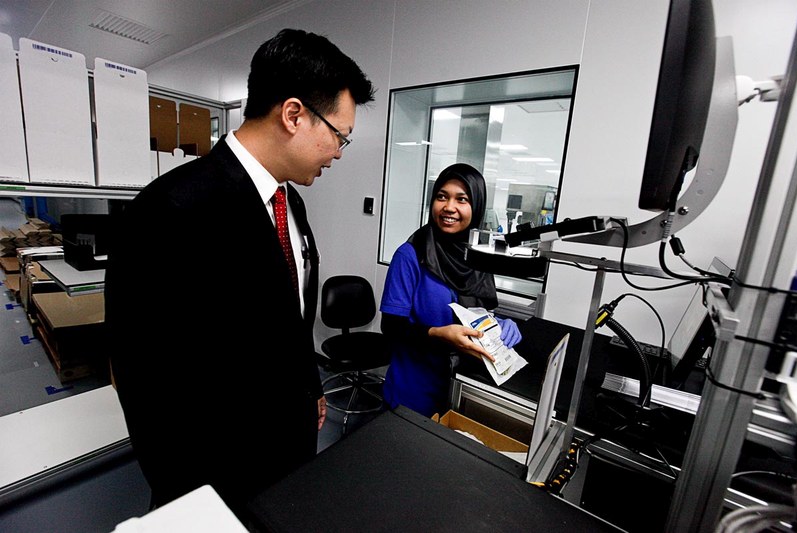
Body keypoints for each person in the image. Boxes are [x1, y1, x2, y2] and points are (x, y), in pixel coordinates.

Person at [104, 28, 375, 518]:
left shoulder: (290, 203)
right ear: (293, 114)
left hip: (287, 456)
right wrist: (189, 501)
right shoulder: (171, 209)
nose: (338, 152)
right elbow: (139, 376)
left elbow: (288, 316)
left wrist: (309, 387)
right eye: (338, 135)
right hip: (212, 477)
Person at [379, 163, 522, 418]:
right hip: (413, 390)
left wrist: (498, 325)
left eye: (462, 199)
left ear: (476, 207)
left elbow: (478, 311)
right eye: (442, 196)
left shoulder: (478, 258)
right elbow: (390, 327)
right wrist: (437, 334)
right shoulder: (411, 255)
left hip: (462, 388)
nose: (449, 207)